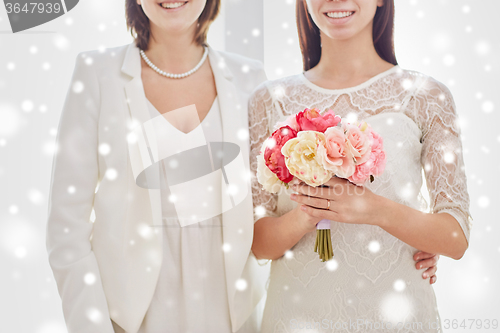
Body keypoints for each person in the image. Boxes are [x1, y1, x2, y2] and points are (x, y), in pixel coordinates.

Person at [46, 0, 270, 332]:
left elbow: (268, 208)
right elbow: (67, 227)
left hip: (230, 315)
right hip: (129, 317)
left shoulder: (249, 78)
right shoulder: (97, 73)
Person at [248, 0, 472, 332]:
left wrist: (374, 209)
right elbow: (257, 242)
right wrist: (307, 213)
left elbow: (455, 237)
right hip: (297, 317)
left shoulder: (427, 96)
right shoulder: (269, 100)